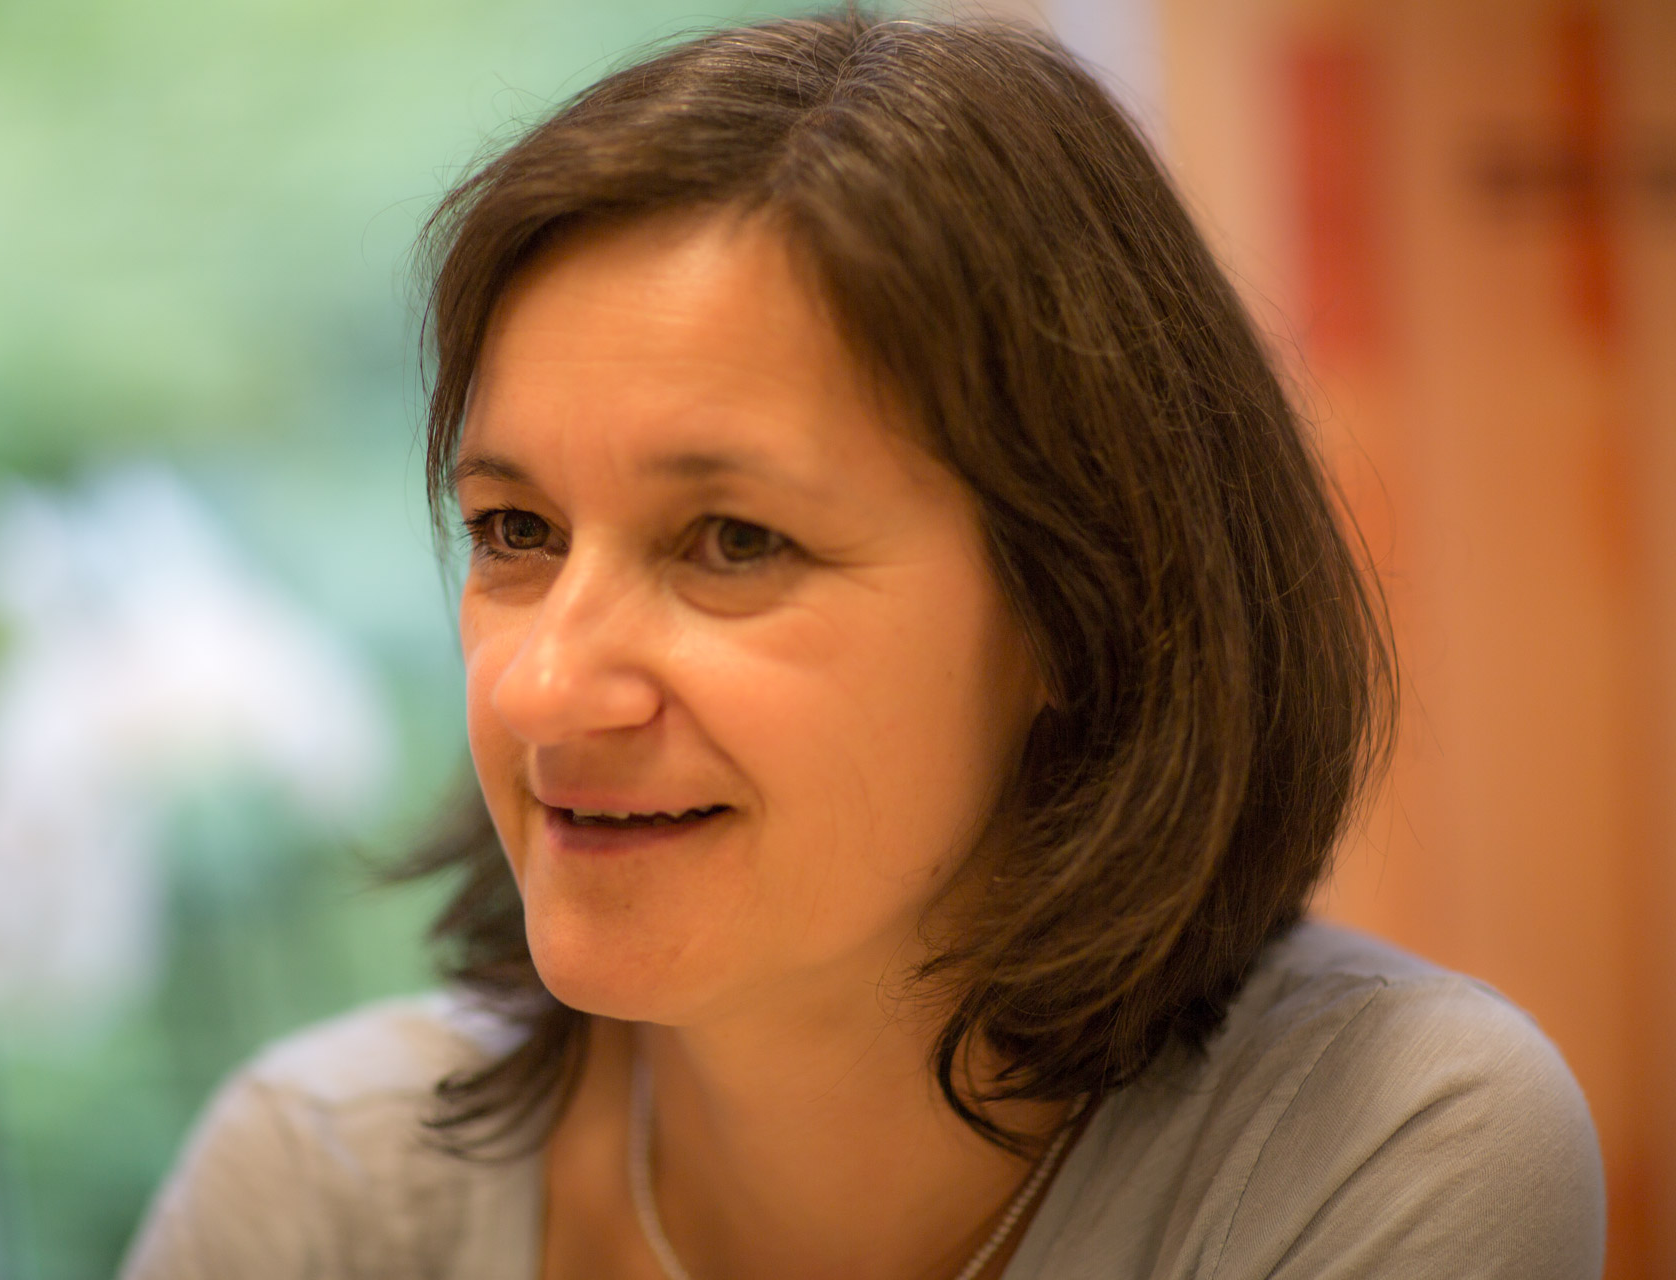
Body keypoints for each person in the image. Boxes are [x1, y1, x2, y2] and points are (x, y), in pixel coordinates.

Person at [121, 10, 1604, 1278]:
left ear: (1084, 607)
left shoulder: (1384, 1147)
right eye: (516, 530)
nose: (544, 687)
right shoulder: (315, 1189)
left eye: (734, 541)